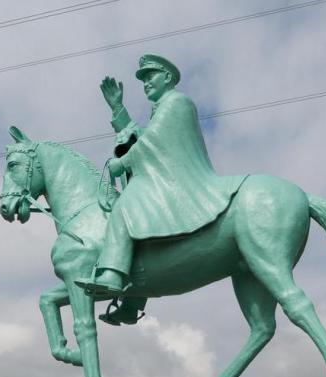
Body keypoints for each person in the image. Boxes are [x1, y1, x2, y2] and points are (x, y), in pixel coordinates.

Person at [77, 54, 246, 313]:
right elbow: (143, 135)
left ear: (167, 77)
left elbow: (152, 141)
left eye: (150, 76)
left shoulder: (178, 102)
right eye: (143, 79)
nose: (146, 83)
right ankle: (133, 300)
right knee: (140, 225)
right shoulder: (163, 107)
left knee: (125, 207)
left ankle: (111, 275)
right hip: (163, 177)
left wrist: (121, 164)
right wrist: (117, 109)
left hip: (179, 179)